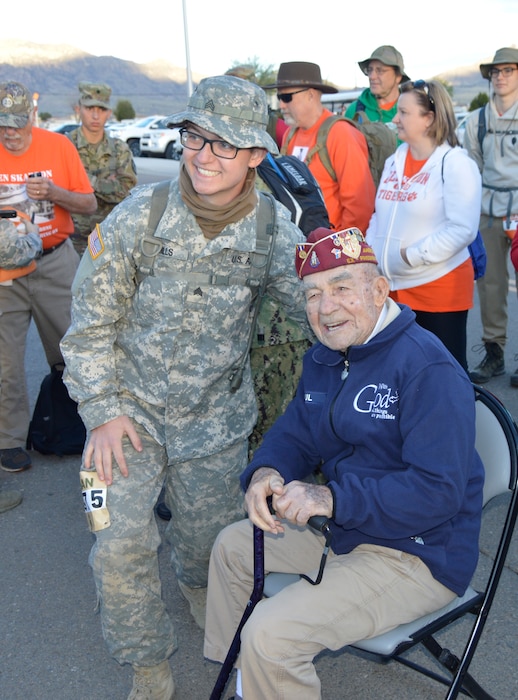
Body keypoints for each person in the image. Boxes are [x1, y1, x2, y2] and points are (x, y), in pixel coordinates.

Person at [60, 75, 311, 700]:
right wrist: (101, 411)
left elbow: (323, 311)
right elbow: (88, 330)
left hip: (215, 426)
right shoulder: (134, 219)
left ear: (257, 154)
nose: (203, 155)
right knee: (114, 546)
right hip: (122, 421)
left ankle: (199, 586)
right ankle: (145, 659)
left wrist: (388, 339)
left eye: (225, 144)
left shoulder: (273, 232)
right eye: (196, 136)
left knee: (210, 543)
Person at [204, 226, 484, 700]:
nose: (325, 308)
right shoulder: (328, 356)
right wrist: (267, 471)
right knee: (232, 548)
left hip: (415, 553)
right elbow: (295, 433)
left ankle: (265, 663)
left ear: (378, 290)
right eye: (312, 294)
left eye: (340, 289)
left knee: (272, 636)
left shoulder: (426, 369)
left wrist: (330, 498)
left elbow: (438, 492)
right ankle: (249, 681)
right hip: (346, 529)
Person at [0, 80, 96, 474]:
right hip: (5, 273)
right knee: (5, 361)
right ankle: (8, 441)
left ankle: (92, 428)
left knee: (75, 352)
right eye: (3, 124)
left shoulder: (59, 147)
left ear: (33, 117)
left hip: (55, 262)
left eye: (17, 124)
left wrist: (55, 192)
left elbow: (88, 203)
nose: (10, 132)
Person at [366, 80, 481, 371]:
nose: (395, 119)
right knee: (397, 378)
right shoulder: (394, 161)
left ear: (428, 118)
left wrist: (412, 255)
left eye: (403, 112)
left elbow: (462, 229)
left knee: (444, 378)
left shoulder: (455, 163)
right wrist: (369, 256)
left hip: (438, 291)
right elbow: (379, 214)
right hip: (391, 291)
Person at [265, 61, 376, 233]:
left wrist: (340, 251)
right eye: (279, 97)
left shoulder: (341, 134)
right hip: (300, 247)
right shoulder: (290, 134)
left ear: (310, 95)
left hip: (330, 250)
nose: (281, 105)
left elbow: (359, 205)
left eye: (287, 97)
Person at [463, 47, 518, 387]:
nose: (500, 76)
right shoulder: (476, 120)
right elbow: (470, 169)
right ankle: (494, 352)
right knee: (490, 286)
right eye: (496, 71)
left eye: (509, 70)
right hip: (487, 211)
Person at [68, 82, 137, 255]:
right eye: (90, 108)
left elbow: (126, 193)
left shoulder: (119, 149)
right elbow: (56, 191)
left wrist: (85, 181)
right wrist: (107, 185)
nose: (95, 115)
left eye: (101, 109)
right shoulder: (64, 147)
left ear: (109, 113)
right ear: (78, 109)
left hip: (109, 240)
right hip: (71, 242)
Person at [345, 45, 410, 123]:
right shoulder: (354, 111)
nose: (372, 77)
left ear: (398, 76)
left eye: (380, 71)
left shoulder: (411, 110)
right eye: (370, 70)